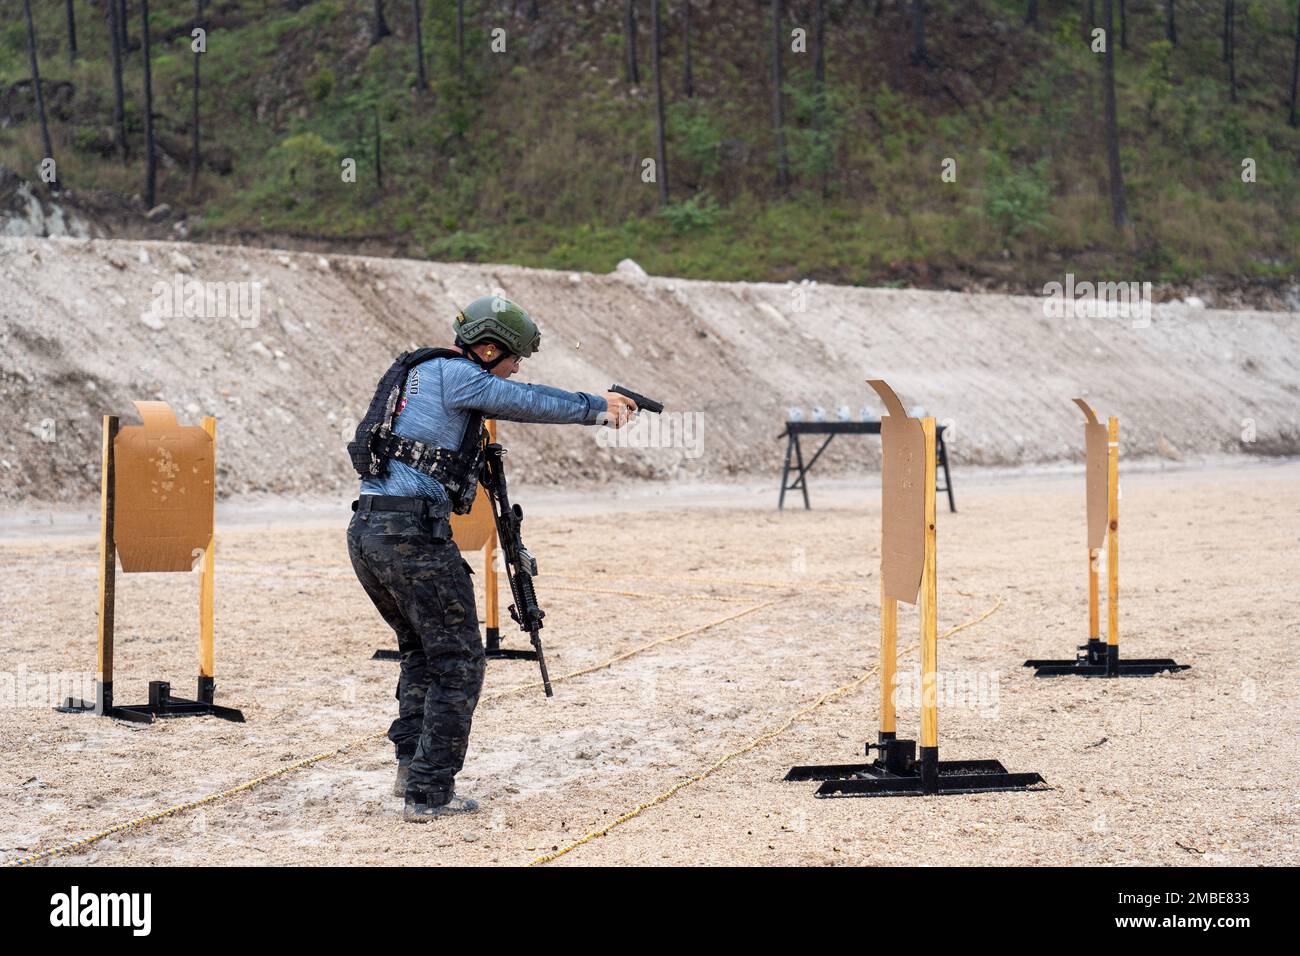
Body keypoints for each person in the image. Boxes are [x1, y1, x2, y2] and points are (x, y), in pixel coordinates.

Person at [346, 295, 637, 821]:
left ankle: (412, 770)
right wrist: (597, 406)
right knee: (459, 662)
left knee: (421, 654)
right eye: (513, 358)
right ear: (485, 349)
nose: (517, 369)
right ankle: (430, 794)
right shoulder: (456, 375)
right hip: (411, 537)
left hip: (369, 530)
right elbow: (524, 399)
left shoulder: (422, 374)